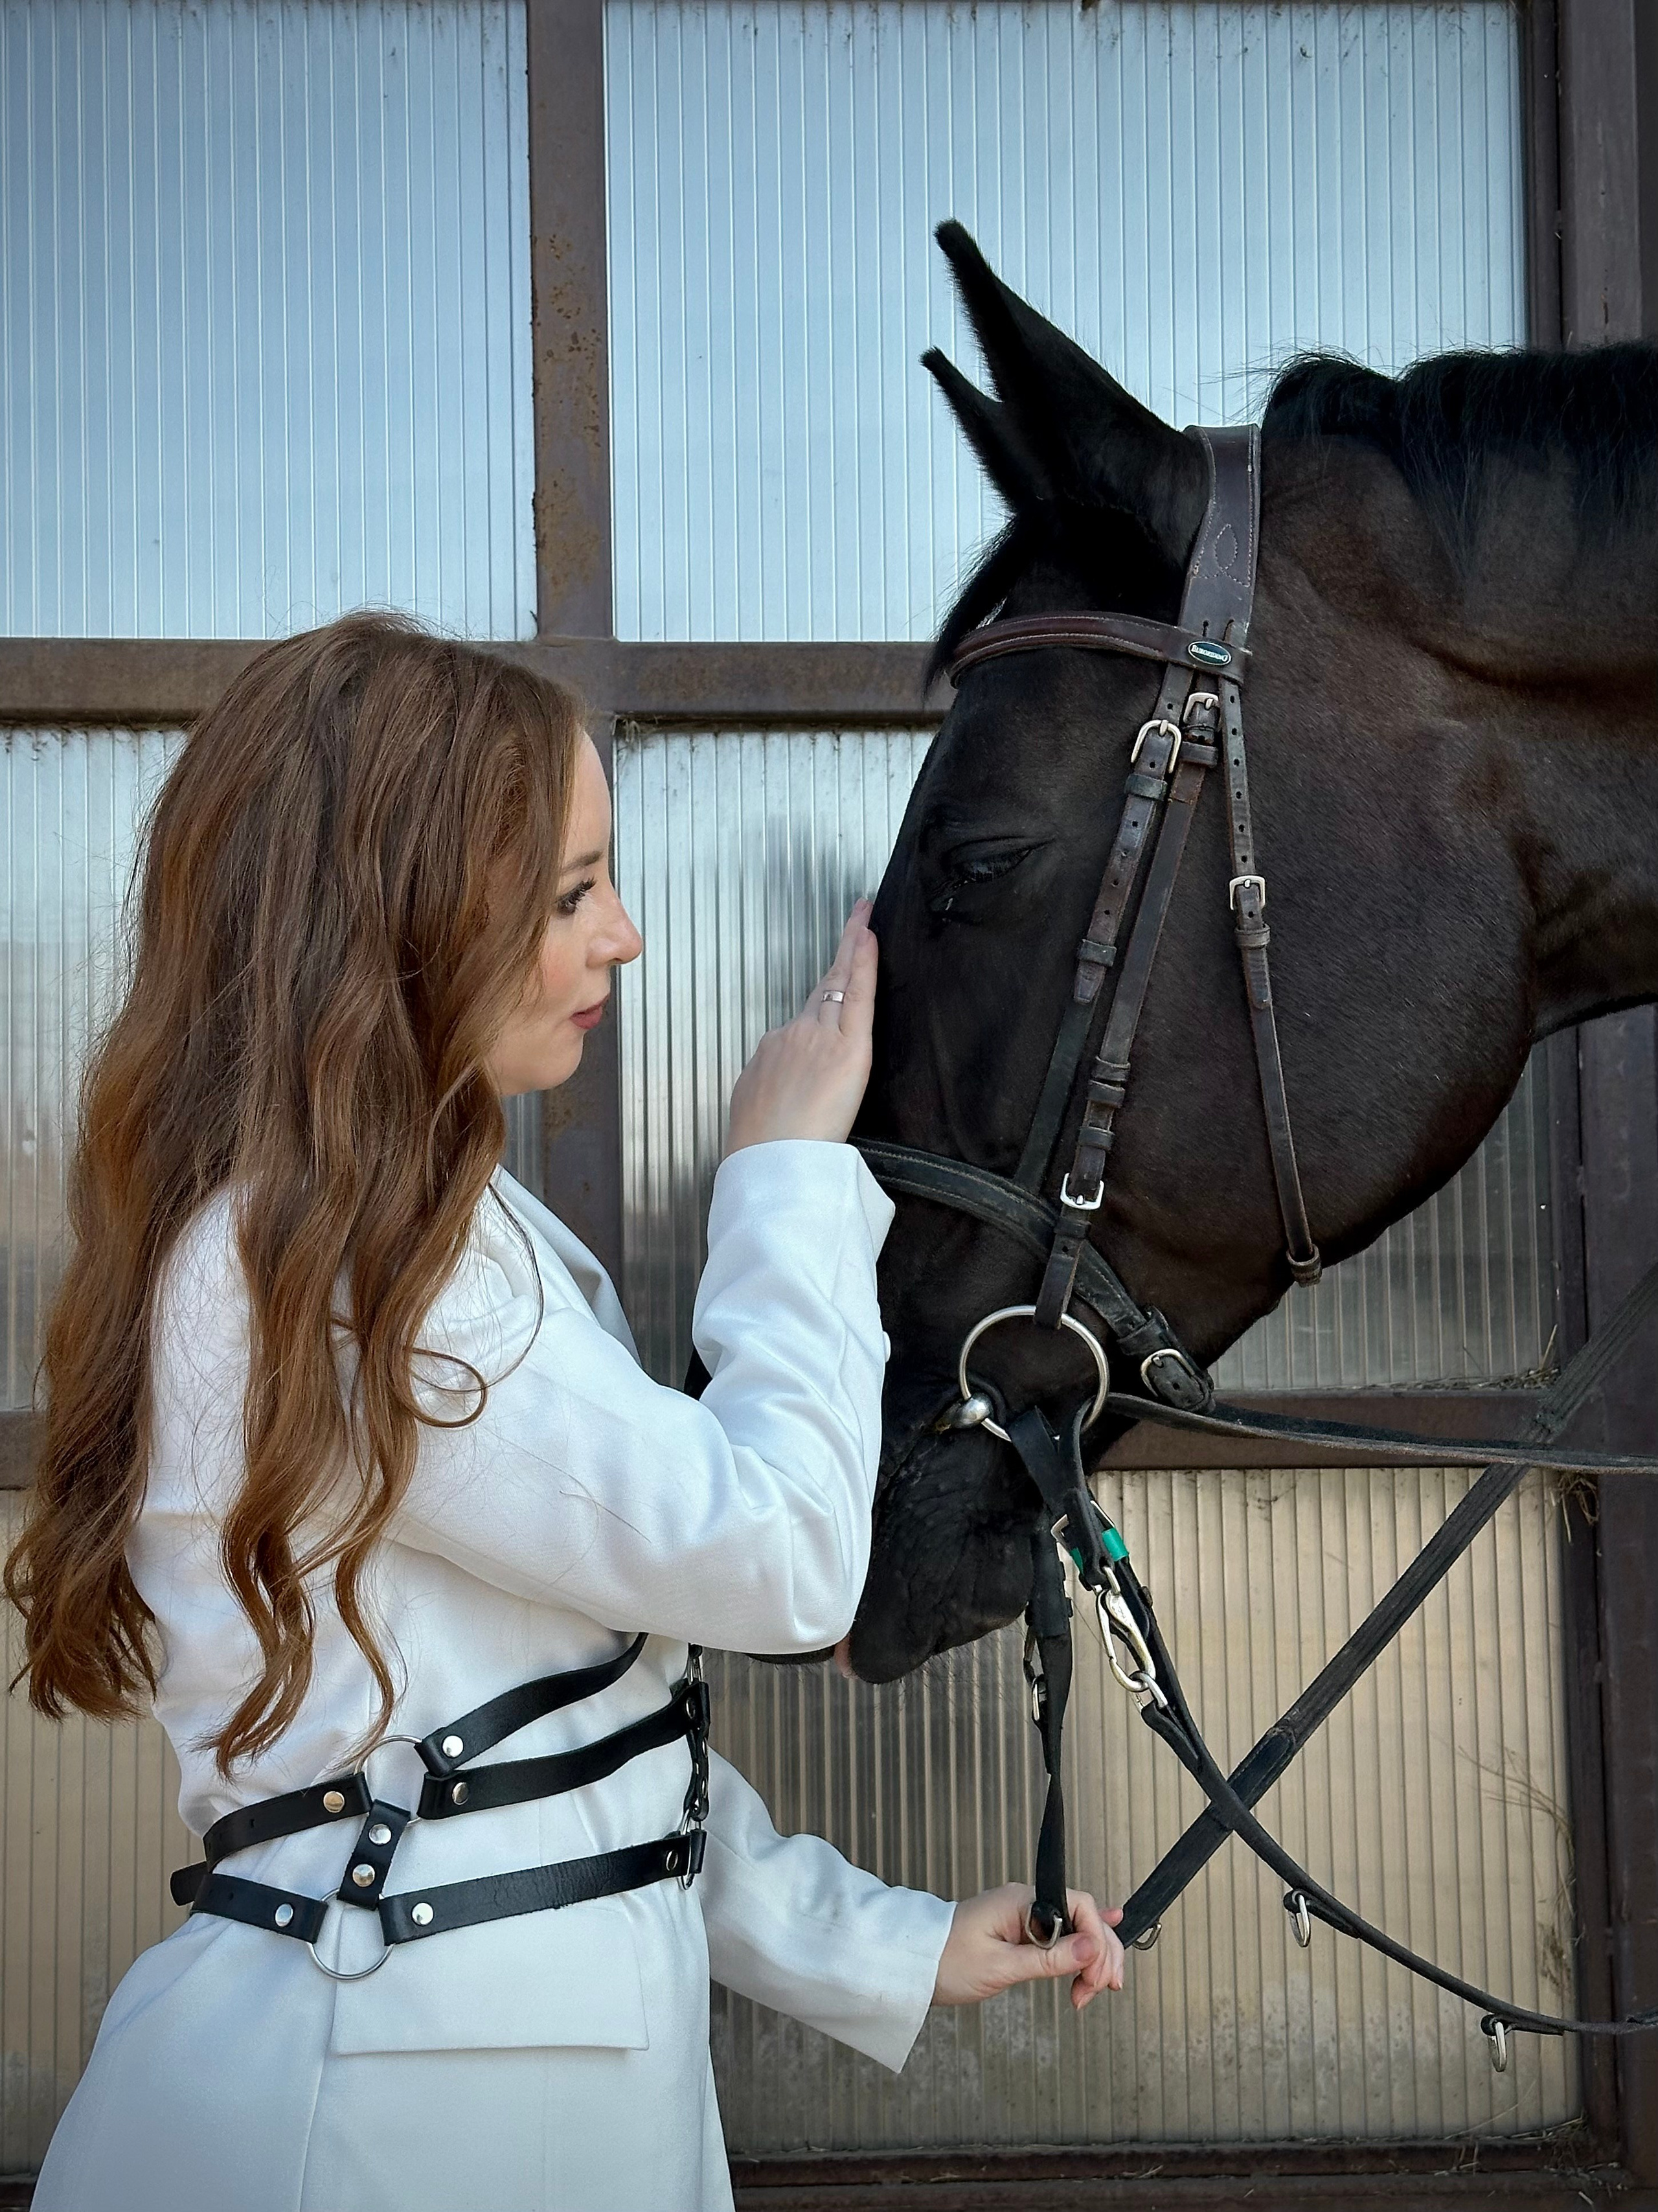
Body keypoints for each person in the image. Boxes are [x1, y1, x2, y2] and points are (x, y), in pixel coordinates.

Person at [8, 612, 1124, 2212]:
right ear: (398, 918)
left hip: (460, 2079)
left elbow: (562, 1741)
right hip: (386, 2122)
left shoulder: (398, 1233)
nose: (627, 936)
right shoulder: (352, 1274)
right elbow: (786, 1561)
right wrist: (782, 1175)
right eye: (568, 892)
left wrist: (884, 1945)